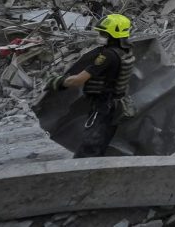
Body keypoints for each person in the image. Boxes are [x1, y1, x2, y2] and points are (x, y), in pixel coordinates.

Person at [45, 14, 136, 158]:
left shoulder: (107, 56)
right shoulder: (125, 51)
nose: (100, 35)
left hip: (103, 107)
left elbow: (79, 80)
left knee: (89, 150)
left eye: (103, 33)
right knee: (99, 146)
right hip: (114, 105)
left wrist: (58, 81)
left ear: (114, 34)